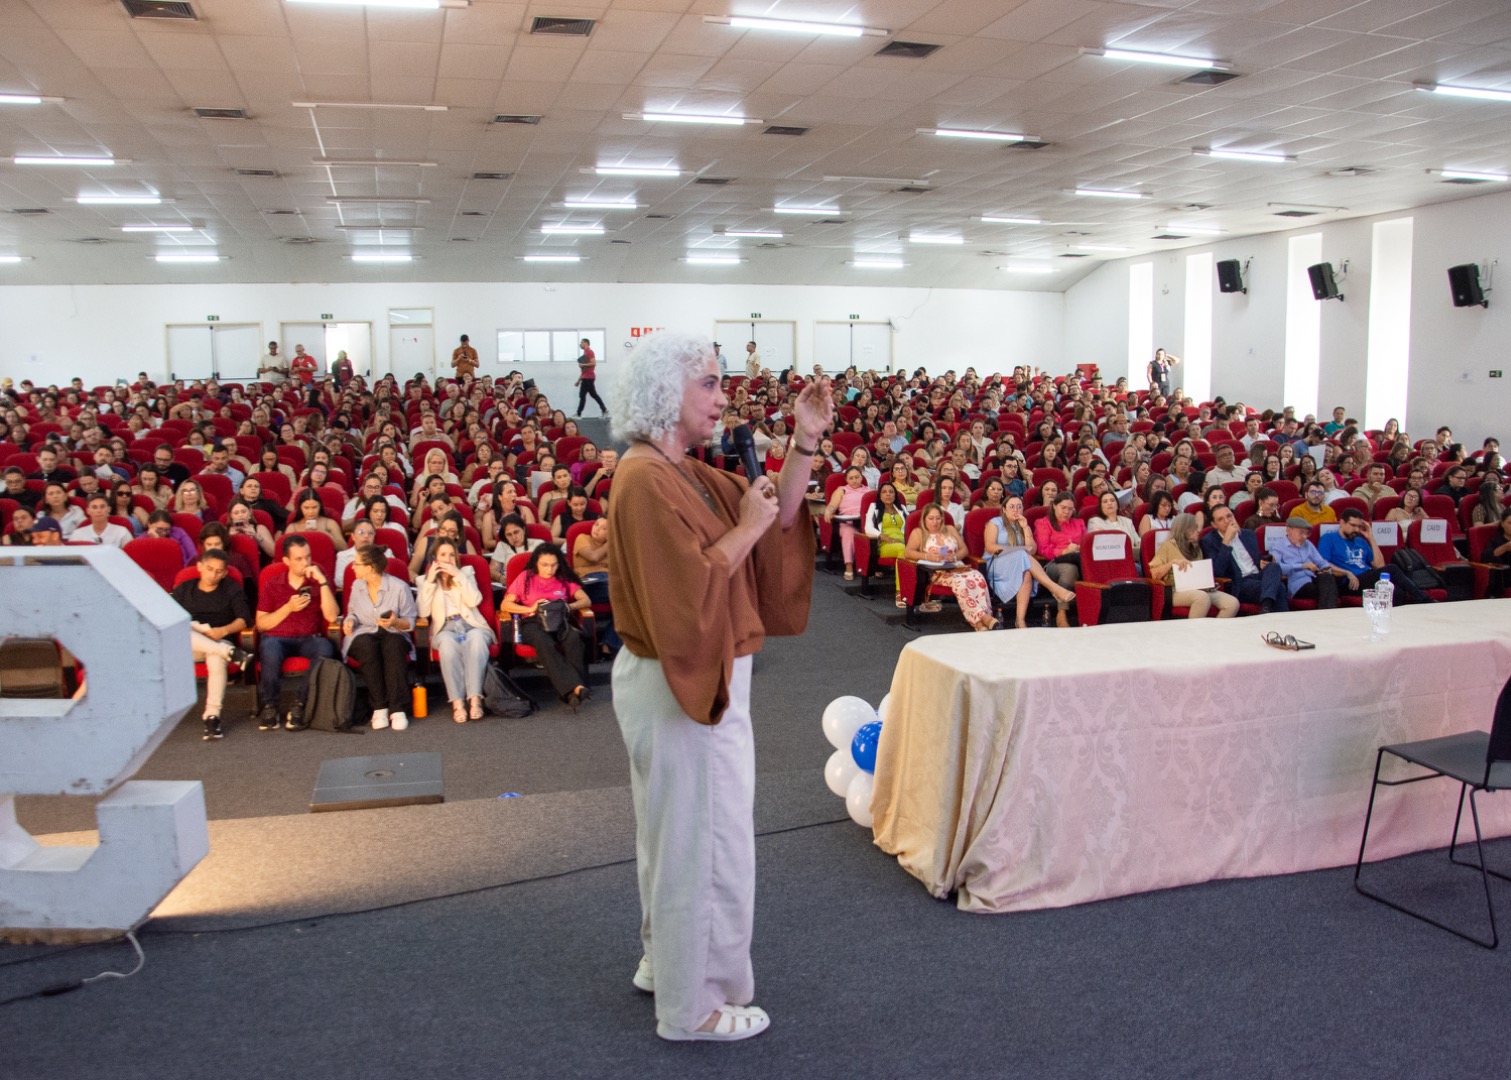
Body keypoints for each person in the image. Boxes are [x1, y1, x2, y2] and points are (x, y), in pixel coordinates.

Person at [605, 330, 828, 1043]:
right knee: (704, 842)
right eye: (708, 382)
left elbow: (777, 518)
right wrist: (747, 528)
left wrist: (804, 440)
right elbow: (693, 586)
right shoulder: (641, 478)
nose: (722, 395)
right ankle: (692, 1009)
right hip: (685, 678)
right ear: (666, 394)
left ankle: (663, 964)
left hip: (697, 674)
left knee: (675, 837)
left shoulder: (687, 471)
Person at [253, 534, 340, 732]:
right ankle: (270, 706)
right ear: (286, 561)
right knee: (270, 649)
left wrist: (323, 583)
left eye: (308, 557)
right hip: (277, 637)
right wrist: (288, 608)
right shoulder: (273, 584)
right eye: (299, 559)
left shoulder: (318, 579)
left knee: (325, 649)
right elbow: (261, 624)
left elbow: (333, 617)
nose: (306, 563)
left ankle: (300, 704)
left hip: (309, 637)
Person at [170, 549, 252, 741]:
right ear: (199, 566)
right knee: (185, 627)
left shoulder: (230, 588)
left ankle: (212, 717)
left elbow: (244, 620)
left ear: (224, 572)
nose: (213, 575)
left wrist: (222, 631)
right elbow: (169, 619)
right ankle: (231, 653)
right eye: (209, 569)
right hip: (188, 646)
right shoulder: (184, 589)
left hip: (218, 638)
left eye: (218, 571)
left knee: (216, 658)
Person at [501, 543, 593, 705]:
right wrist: (531, 607)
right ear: (536, 562)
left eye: (553, 565)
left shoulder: (563, 578)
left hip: (559, 620)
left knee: (573, 638)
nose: (549, 569)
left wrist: (567, 606)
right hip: (532, 621)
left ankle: (572, 693)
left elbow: (586, 600)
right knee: (544, 641)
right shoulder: (525, 577)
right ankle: (577, 686)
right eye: (544, 565)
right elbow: (505, 605)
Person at [417, 536, 494, 723]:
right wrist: (430, 581)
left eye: (452, 555)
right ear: (435, 557)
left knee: (476, 639)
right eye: (443, 555)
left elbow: (474, 600)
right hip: (445, 627)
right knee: (448, 645)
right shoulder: (424, 581)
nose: (448, 559)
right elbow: (423, 611)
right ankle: (458, 702)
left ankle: (475, 699)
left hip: (471, 624)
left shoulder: (466, 572)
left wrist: (458, 576)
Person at [342, 544, 417, 732]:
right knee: (367, 647)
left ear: (370, 568)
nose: (353, 567)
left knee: (393, 646)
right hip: (364, 631)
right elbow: (352, 612)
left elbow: (410, 622)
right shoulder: (357, 585)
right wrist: (349, 621)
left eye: (356, 564)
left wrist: (395, 622)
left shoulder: (399, 587)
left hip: (393, 631)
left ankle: (398, 709)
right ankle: (379, 707)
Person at [983, 493, 1075, 628]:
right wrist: (1017, 551)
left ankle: (1020, 620)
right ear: (1004, 509)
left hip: (1019, 563)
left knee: (1026, 574)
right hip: (997, 565)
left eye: (1019, 507)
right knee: (1021, 553)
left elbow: (1032, 550)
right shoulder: (995, 523)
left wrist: (1025, 528)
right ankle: (1054, 588)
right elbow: (991, 547)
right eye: (1012, 507)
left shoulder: (1023, 525)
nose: (1016, 510)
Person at [903, 502, 997, 631]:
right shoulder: (919, 533)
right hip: (938, 572)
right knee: (962, 584)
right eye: (931, 518)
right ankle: (984, 619)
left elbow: (964, 550)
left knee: (978, 577)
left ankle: (979, 622)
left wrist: (954, 557)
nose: (935, 522)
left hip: (957, 566)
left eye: (938, 518)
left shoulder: (950, 529)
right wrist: (927, 556)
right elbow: (908, 552)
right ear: (924, 519)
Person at [1319, 507, 1432, 604]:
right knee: (1392, 568)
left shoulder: (1360, 541)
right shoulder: (1328, 538)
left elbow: (1379, 565)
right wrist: (1347, 573)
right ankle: (1424, 598)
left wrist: (1371, 538)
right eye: (1353, 525)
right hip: (1349, 582)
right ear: (1342, 523)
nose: (1357, 530)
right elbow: (1323, 564)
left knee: (1397, 591)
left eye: (1359, 526)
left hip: (1367, 577)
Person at [1202, 505, 1288, 613]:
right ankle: (1269, 608)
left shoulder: (1248, 534)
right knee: (1279, 588)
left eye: (1229, 516)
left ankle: (1266, 607)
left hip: (1257, 575)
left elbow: (1257, 559)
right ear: (1214, 525)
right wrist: (1226, 542)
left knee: (1274, 566)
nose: (1227, 521)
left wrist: (1263, 561)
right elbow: (1218, 570)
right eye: (1221, 519)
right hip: (1239, 582)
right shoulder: (1209, 541)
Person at [1150, 513, 1238, 618]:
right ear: (1185, 530)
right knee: (1202, 598)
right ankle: (1193, 632)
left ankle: (1214, 631)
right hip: (1175, 591)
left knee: (1232, 603)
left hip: (1199, 589)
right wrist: (1171, 563)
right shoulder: (1168, 546)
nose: (1198, 531)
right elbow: (1154, 574)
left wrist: (1208, 584)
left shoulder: (1196, 548)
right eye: (1195, 528)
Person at [1033, 492, 1085, 626]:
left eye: (1070, 509)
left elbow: (1087, 544)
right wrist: (1064, 551)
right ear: (1054, 506)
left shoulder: (1079, 523)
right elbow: (1043, 550)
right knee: (1069, 569)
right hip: (1052, 563)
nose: (1067, 512)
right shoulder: (1043, 523)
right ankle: (1061, 613)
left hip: (1077, 559)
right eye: (1063, 507)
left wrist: (1078, 548)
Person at [1271, 515, 1339, 608]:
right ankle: (1328, 614)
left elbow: (1321, 561)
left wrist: (1326, 568)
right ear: (1289, 530)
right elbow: (1277, 568)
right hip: (1297, 583)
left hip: (1313, 577)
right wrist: (1302, 566)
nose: (1304, 537)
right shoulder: (1279, 546)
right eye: (1301, 533)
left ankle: (1326, 613)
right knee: (1325, 590)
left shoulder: (1308, 544)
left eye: (1306, 533)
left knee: (1328, 578)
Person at [823, 466, 869, 580]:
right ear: (846, 479)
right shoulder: (842, 490)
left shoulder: (868, 490)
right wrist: (829, 510)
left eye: (857, 477)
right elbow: (832, 505)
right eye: (851, 478)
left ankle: (875, 568)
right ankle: (849, 567)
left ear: (861, 477)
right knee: (848, 532)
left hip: (865, 521)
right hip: (847, 521)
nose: (854, 480)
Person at [574, 337, 607, 417]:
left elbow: (593, 363)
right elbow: (584, 371)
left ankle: (578, 414)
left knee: (584, 395)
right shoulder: (585, 354)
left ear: (586, 343)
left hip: (588, 378)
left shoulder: (590, 352)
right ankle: (604, 410)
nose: (580, 344)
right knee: (591, 395)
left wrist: (583, 364)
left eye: (581, 342)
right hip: (586, 377)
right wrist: (578, 381)